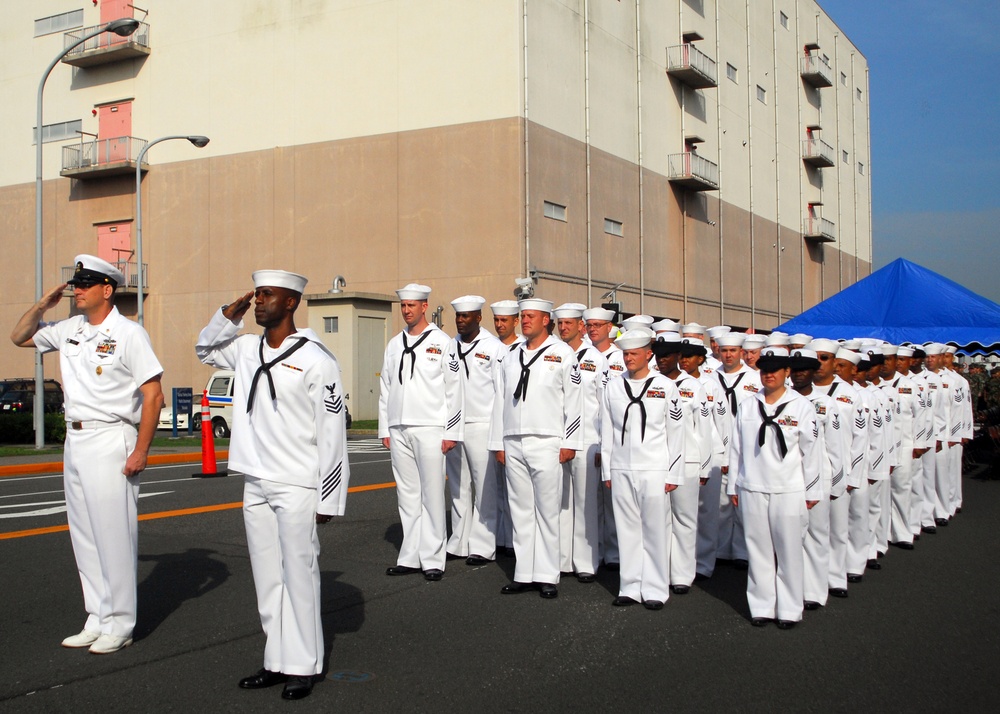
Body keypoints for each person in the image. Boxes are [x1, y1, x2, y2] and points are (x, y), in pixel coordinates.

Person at [196, 269, 350, 700]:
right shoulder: (247, 348)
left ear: (291, 302)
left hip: (297, 483)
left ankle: (303, 664)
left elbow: (332, 432)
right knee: (267, 579)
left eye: (267, 294)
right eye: (257, 294)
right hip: (256, 479)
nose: (259, 301)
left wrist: (329, 497)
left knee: (299, 574)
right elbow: (205, 349)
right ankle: (276, 659)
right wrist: (229, 314)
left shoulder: (317, 359)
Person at [11, 255, 164, 655]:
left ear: (107, 289)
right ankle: (97, 616)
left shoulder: (129, 334)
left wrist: (142, 450)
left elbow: (153, 395)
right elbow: (19, 337)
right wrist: (42, 305)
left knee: (114, 536)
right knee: (85, 537)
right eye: (76, 285)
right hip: (75, 439)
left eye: (85, 284)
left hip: (112, 437)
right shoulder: (70, 329)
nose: (77, 291)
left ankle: (120, 623)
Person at [490, 299, 582, 599]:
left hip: (547, 439)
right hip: (514, 439)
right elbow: (500, 399)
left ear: (545, 320)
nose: (525, 320)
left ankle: (546, 574)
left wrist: (570, 441)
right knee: (520, 510)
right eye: (523, 316)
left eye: (531, 316)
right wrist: (498, 442)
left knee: (547, 509)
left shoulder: (562, 353)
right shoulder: (511, 355)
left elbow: (574, 400)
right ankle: (524, 572)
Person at [727, 347, 821, 629]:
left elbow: (812, 453)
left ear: (787, 372)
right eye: (765, 369)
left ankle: (790, 609)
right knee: (758, 551)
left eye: (775, 369)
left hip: (789, 488)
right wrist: (734, 486)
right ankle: (762, 606)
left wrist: (812, 491)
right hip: (752, 486)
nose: (769, 374)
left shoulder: (801, 406)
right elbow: (737, 449)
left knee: (789, 551)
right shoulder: (748, 405)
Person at [379, 284, 464, 580]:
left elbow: (455, 390)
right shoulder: (394, 344)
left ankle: (433, 559)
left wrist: (451, 431)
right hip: (399, 426)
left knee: (431, 494)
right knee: (407, 495)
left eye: (412, 305)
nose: (406, 310)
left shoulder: (442, 342)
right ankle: (410, 556)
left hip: (430, 426)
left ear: (425, 306)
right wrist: (385, 426)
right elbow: (386, 386)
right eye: (403, 306)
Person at [600, 327, 684, 609]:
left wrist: (673, 472)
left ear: (648, 354)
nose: (628, 359)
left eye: (634, 354)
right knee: (627, 530)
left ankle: (656, 588)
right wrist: (608, 469)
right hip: (622, 466)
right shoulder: (613, 386)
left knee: (655, 529)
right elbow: (607, 430)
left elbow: (676, 432)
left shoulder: (665, 386)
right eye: (625, 354)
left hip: (654, 467)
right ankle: (630, 586)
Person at [446, 296, 504, 564]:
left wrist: (497, 432)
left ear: (478, 318)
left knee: (484, 487)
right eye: (458, 316)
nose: (460, 320)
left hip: (482, 423)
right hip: (454, 424)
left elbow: (500, 391)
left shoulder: (493, 347)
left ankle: (483, 545)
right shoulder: (450, 346)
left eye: (466, 316)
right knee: (458, 487)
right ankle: (459, 541)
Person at [808, 339, 867, 599]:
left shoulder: (851, 394)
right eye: (816, 358)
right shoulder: (798, 391)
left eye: (825, 358)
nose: (819, 363)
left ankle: (836, 576)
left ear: (835, 362)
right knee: (812, 530)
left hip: (839, 469)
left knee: (839, 527)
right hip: (808, 472)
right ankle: (812, 580)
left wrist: (853, 474)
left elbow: (860, 437)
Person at [652, 334, 710, 594]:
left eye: (667, 355)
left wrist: (704, 465)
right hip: (659, 460)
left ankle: (683, 575)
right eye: (658, 355)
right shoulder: (653, 383)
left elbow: (703, 429)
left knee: (685, 519)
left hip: (687, 460)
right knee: (660, 520)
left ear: (678, 356)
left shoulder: (693, 386)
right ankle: (661, 571)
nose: (661, 360)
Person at [554, 302, 607, 582]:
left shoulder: (596, 359)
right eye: (560, 323)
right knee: (561, 502)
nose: (563, 328)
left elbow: (605, 405)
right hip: (558, 438)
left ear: (581, 327)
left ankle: (586, 561)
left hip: (588, 439)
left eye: (569, 323)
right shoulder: (553, 353)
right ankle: (563, 559)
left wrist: (603, 444)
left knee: (586, 503)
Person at [789, 348, 844, 611]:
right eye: (795, 370)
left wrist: (836, 482)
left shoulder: (826, 403)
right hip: (789, 478)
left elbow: (836, 446)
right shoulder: (782, 400)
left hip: (818, 477)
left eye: (804, 370)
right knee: (790, 537)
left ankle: (815, 591)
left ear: (813, 372)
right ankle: (792, 588)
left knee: (817, 535)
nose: (799, 374)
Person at [679, 338, 731, 581]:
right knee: (683, 512)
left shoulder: (712, 385)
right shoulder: (673, 383)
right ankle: (682, 562)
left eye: (689, 356)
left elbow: (724, 421)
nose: (684, 360)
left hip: (711, 452)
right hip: (685, 454)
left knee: (708, 511)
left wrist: (726, 455)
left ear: (701, 359)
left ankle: (704, 563)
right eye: (681, 356)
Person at [714, 332, 761, 568]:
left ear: (741, 352)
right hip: (720, 445)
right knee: (722, 503)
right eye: (724, 351)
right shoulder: (711, 378)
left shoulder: (755, 379)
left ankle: (742, 551)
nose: (728, 355)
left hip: (747, 446)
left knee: (744, 502)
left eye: (733, 351)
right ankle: (722, 549)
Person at [584, 306, 625, 569]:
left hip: (612, 436)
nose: (592, 330)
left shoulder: (620, 357)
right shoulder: (581, 355)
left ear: (609, 328)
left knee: (612, 501)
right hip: (587, 434)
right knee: (589, 501)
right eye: (589, 325)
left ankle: (614, 553)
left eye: (597, 325)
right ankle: (593, 551)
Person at [490, 300, 523, 556]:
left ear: (515, 321)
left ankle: (513, 540)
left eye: (504, 320)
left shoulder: (523, 348)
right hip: (492, 421)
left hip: (515, 424)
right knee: (496, 487)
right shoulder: (490, 347)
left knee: (516, 489)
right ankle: (500, 537)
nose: (500, 325)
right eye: (496, 320)